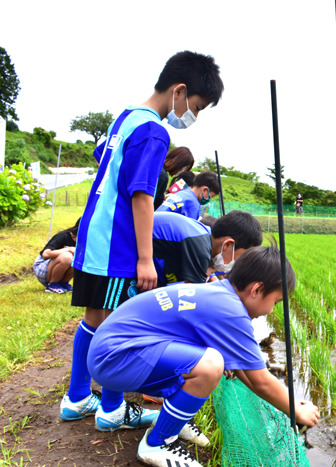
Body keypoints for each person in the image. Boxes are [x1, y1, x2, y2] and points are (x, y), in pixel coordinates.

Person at [60, 50, 224, 431]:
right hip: (116, 246)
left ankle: (78, 397)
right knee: (119, 324)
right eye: (196, 107)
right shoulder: (154, 131)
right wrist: (146, 259)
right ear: (179, 91)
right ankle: (112, 409)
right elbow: (141, 195)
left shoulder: (126, 118)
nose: (193, 116)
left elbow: (104, 160)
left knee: (94, 319)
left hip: (95, 236)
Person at [86, 245, 320, 466]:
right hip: (114, 359)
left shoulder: (218, 292)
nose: (271, 310)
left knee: (208, 360)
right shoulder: (232, 312)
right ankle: (157, 443)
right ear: (256, 290)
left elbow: (246, 372)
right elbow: (261, 381)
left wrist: (287, 404)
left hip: (110, 352)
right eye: (275, 302)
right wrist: (296, 411)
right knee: (210, 365)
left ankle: (165, 420)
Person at [152, 210, 263, 286]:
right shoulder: (200, 247)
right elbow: (191, 296)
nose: (235, 263)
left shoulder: (203, 235)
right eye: (239, 258)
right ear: (228, 245)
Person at [33, 217, 80, 293]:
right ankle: (52, 284)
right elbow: (46, 254)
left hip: (58, 269)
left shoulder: (86, 241)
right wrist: (67, 249)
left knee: (79, 258)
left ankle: (63, 283)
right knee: (67, 256)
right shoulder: (64, 235)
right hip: (43, 268)